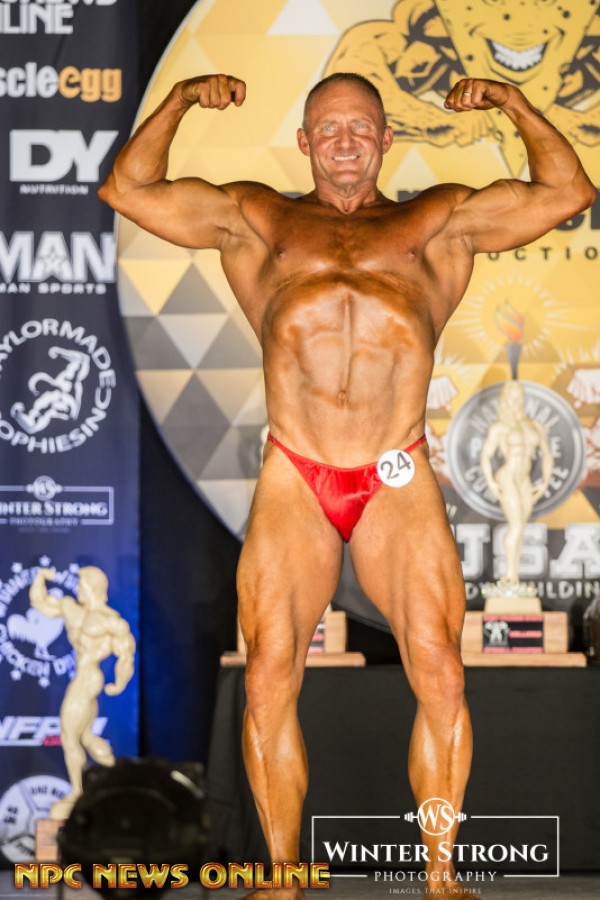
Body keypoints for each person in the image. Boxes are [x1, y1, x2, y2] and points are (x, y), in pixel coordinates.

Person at [99, 73, 595, 897]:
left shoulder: (436, 222)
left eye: (360, 126)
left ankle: (441, 876)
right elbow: (129, 189)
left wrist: (513, 104)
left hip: (394, 471)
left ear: (385, 139)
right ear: (304, 141)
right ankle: (283, 876)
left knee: (440, 670)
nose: (344, 140)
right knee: (269, 675)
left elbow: (567, 191)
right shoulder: (258, 219)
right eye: (328, 127)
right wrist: (180, 100)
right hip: (297, 471)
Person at [30, 566, 135, 820]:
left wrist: (120, 682)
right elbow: (41, 604)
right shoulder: (71, 608)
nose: (77, 589)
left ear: (92, 587)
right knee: (86, 736)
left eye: (81, 584)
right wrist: (40, 578)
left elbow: (126, 651)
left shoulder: (109, 620)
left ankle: (77, 792)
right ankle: (116, 778)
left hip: (88, 678)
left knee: (69, 736)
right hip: (83, 677)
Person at [480, 380, 553, 586]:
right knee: (516, 525)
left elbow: (547, 454)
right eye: (512, 397)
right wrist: (491, 482)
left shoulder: (534, 426)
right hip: (508, 477)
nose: (516, 400)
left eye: (519, 396)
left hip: (524, 480)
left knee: (520, 527)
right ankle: (509, 576)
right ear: (505, 399)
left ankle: (514, 577)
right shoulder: (500, 427)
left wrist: (545, 481)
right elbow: (486, 455)